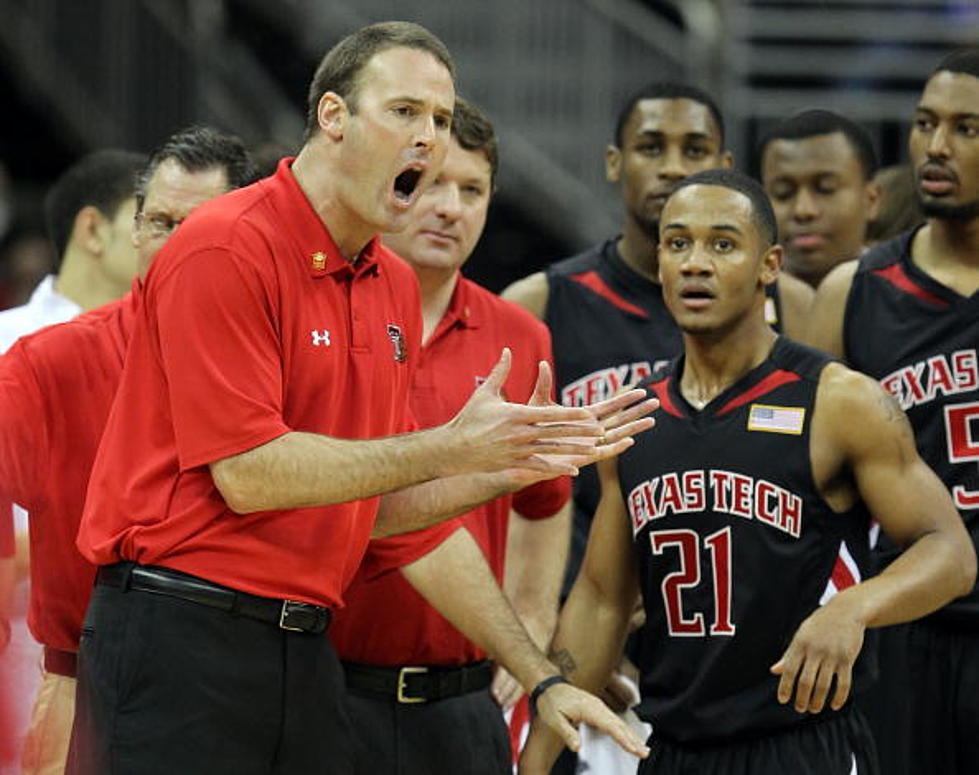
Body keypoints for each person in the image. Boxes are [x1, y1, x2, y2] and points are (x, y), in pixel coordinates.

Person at [68, 22, 651, 775]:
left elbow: (387, 520)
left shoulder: (391, 283)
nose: (428, 139)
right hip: (177, 632)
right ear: (334, 117)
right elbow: (248, 474)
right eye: (405, 111)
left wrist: (537, 671)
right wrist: (452, 447)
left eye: (440, 121)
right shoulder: (223, 245)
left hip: (305, 647)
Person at [518, 168, 976, 775]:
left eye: (723, 244)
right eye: (678, 244)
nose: (695, 263)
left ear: (770, 265)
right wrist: (538, 756)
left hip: (800, 744)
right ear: (659, 264)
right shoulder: (637, 414)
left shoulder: (840, 401)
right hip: (673, 746)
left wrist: (853, 608)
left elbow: (950, 552)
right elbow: (603, 599)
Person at [503, 83, 814, 772]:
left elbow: (835, 497)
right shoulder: (540, 302)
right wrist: (547, 635)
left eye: (693, 150)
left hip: (742, 659)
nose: (672, 166)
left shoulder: (794, 310)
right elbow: (500, 485)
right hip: (585, 629)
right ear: (615, 162)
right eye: (651, 148)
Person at [328, 97, 589, 774]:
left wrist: (530, 618)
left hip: (460, 697)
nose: (450, 208)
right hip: (324, 680)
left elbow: (544, 496)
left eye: (471, 190)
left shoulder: (520, 334)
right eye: (432, 184)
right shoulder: (328, 313)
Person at [0, 125, 257, 775]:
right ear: (132, 229)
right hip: (79, 685)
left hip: (246, 690)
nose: (173, 244)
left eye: (196, 225)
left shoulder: (282, 366)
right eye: (159, 221)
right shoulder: (51, 357)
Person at [805, 47, 979, 775]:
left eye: (966, 127)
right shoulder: (853, 291)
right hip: (900, 631)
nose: (934, 148)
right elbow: (798, 483)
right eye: (923, 124)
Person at [0, 148, 144, 775]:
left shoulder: (170, 352)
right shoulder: (6, 344)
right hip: (27, 647)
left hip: (147, 651)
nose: (165, 239)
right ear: (93, 230)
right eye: (150, 218)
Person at [0, 149, 145, 352]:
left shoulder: (173, 349)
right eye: (156, 221)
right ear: (92, 230)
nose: (175, 239)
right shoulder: (6, 341)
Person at [758, 109, 881, 288]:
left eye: (825, 189)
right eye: (783, 193)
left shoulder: (904, 297)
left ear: (871, 200)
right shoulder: (738, 303)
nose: (803, 210)